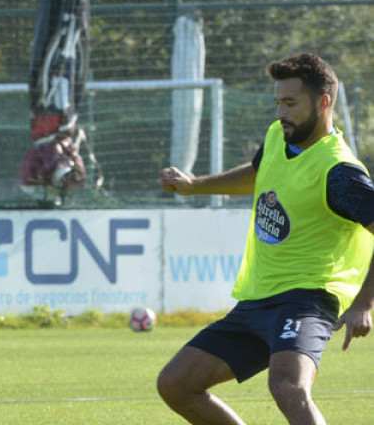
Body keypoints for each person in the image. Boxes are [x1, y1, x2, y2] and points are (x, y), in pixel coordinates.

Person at [156, 53, 374, 424]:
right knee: (176, 383)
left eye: (290, 103)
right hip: (258, 299)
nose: (280, 113)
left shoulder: (340, 172)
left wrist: (364, 304)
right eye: (277, 102)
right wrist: (193, 187)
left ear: (324, 102)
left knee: (288, 387)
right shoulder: (278, 136)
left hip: (307, 298)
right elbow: (259, 173)